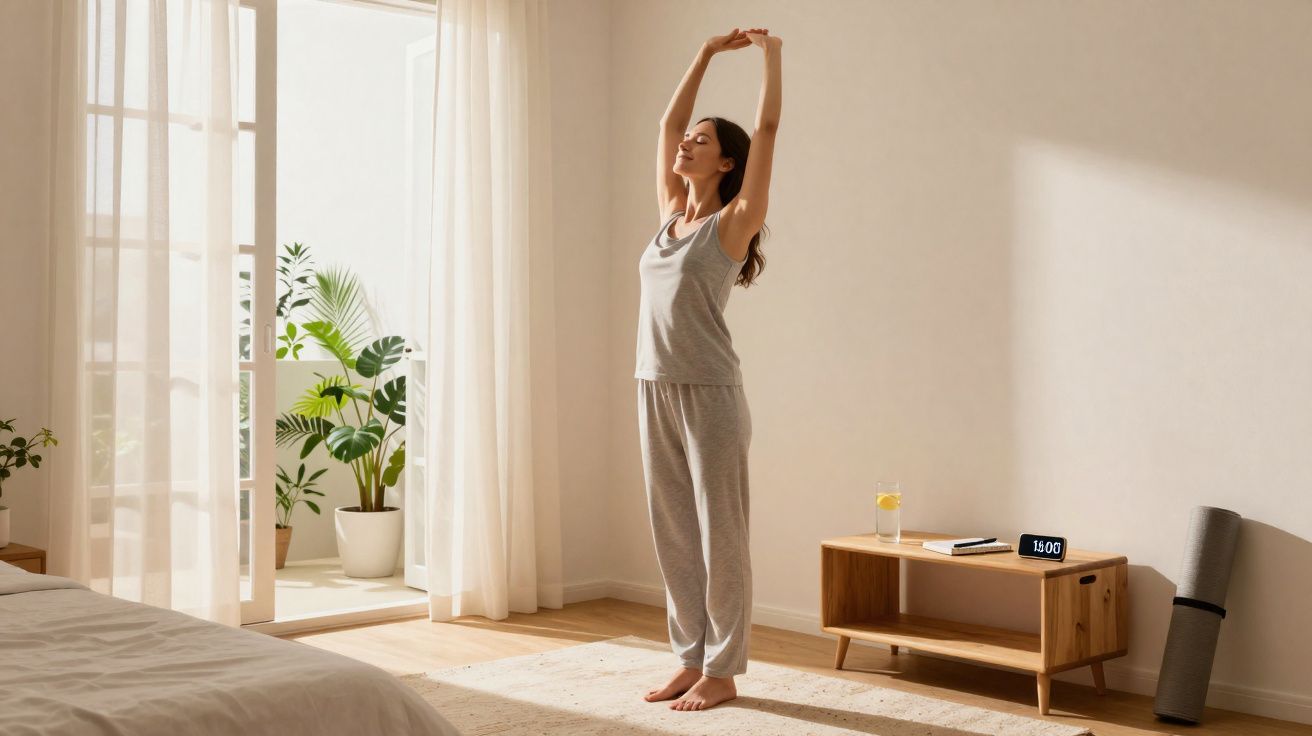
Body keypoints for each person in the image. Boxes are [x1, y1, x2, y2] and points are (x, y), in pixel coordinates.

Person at [634, 26, 782, 712]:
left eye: (702, 141)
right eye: (687, 141)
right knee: (674, 534)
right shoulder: (669, 217)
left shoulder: (733, 223)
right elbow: (665, 122)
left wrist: (769, 56)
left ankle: (724, 669)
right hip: (653, 386)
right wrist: (702, 54)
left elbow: (769, 127)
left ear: (726, 164)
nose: (686, 144)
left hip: (712, 395)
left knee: (722, 534)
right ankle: (689, 659)